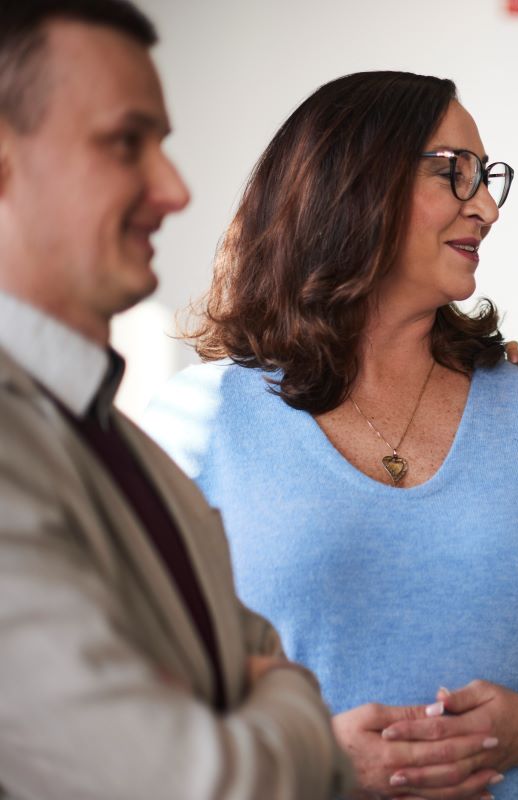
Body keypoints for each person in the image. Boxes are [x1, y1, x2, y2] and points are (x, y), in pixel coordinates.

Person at [143, 70, 518, 800]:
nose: (486, 207)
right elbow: (127, 686)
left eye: (487, 178)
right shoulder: (200, 421)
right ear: (353, 184)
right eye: (455, 174)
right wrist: (307, 759)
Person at [0, 2, 355, 798]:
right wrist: (297, 709)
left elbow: (245, 653)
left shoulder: (118, 442)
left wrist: (252, 710)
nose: (176, 189)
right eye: (127, 142)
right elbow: (192, 781)